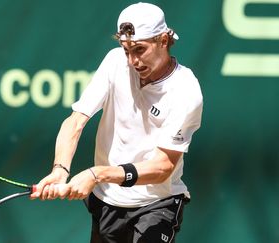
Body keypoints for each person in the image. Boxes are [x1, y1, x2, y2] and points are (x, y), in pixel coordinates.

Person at [30, 2, 203, 242]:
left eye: (140, 49)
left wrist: (97, 174)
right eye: (126, 50)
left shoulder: (185, 90)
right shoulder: (115, 62)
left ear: (163, 41)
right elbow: (75, 122)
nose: (133, 61)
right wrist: (60, 170)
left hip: (156, 205)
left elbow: (163, 167)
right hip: (106, 203)